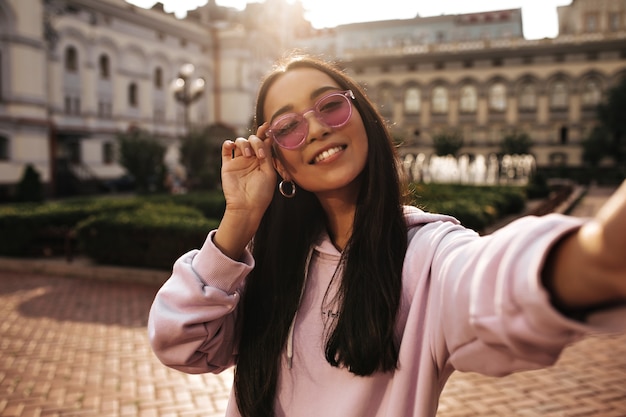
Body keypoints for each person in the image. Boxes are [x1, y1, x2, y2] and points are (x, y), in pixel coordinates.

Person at [148, 54, 626, 417]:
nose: (314, 127)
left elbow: (496, 281)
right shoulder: (266, 263)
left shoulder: (424, 254)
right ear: (277, 159)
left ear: (363, 119)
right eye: (288, 126)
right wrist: (241, 217)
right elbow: (181, 343)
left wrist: (596, 256)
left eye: (330, 106)